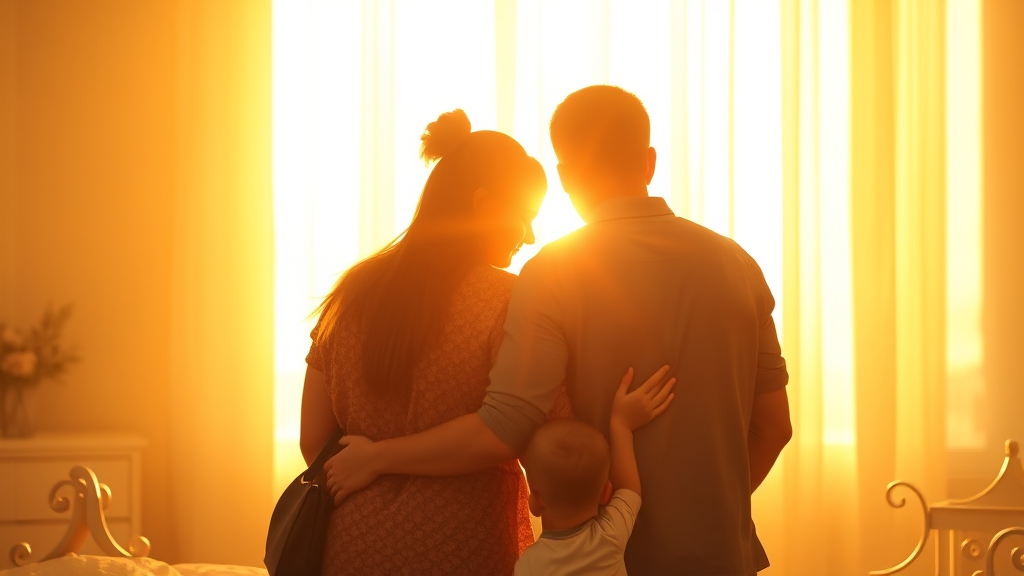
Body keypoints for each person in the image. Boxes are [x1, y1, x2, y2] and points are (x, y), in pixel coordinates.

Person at [327, 85, 793, 575]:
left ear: (565, 176)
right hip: (724, 557)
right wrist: (710, 513)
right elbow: (774, 427)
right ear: (650, 161)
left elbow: (507, 424)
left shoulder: (552, 272)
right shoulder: (740, 266)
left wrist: (377, 458)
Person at [300, 108, 550, 576]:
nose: (531, 236)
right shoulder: (507, 299)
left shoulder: (352, 292)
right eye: (525, 217)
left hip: (353, 543)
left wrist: (372, 459)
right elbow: (503, 431)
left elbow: (314, 437)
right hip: (460, 545)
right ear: (484, 203)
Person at [516, 366, 675, 576]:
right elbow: (630, 490)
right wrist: (621, 424)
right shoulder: (610, 535)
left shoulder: (529, 566)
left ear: (535, 502)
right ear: (605, 493)